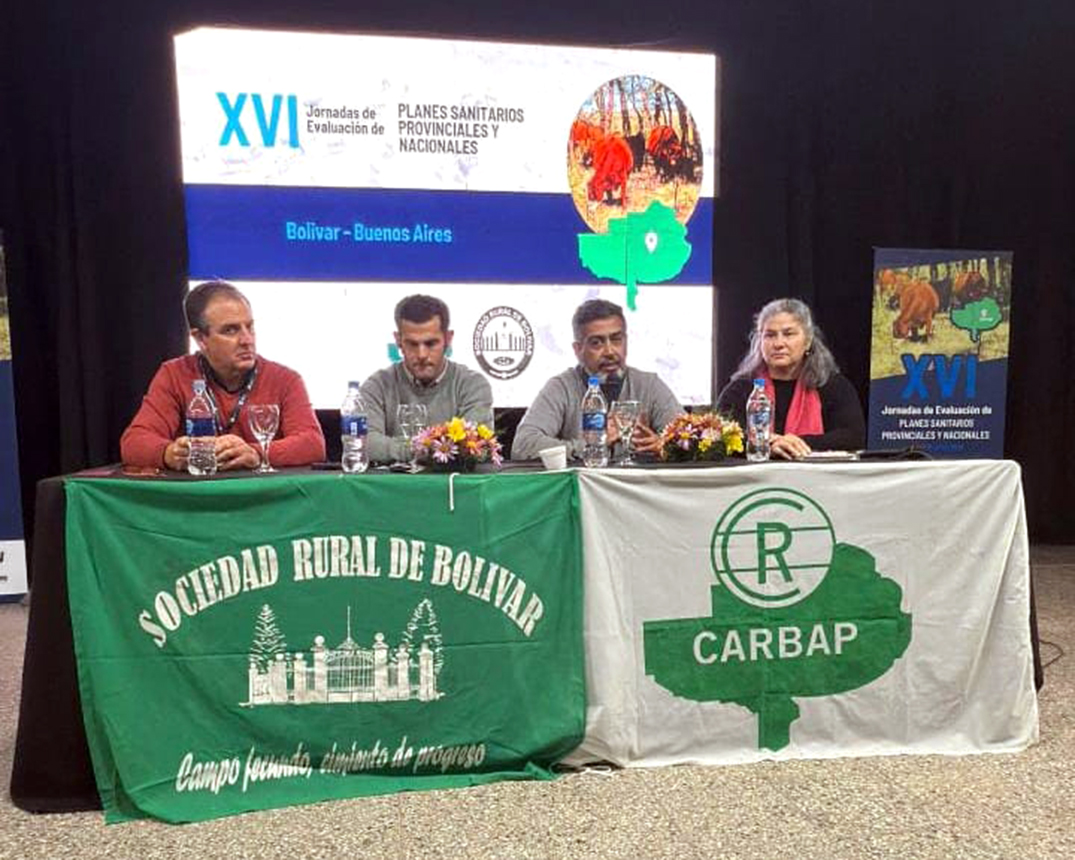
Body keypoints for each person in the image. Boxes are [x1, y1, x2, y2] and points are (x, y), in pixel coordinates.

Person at [121, 280, 325, 470]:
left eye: (250, 327)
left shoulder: (285, 380)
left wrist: (256, 452)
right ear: (200, 339)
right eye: (230, 330)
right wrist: (168, 453)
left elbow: (312, 444)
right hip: (198, 493)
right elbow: (134, 442)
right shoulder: (174, 375)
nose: (247, 340)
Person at [512, 298, 680, 461]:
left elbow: (690, 436)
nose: (609, 351)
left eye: (616, 340)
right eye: (596, 343)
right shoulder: (561, 388)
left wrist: (666, 446)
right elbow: (523, 445)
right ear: (578, 350)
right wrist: (592, 445)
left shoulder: (649, 385)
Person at [715, 297, 865, 458]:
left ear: (808, 341)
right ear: (759, 342)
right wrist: (767, 443)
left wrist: (794, 444)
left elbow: (853, 437)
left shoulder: (833, 385)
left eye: (788, 334)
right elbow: (719, 435)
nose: (778, 344)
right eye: (770, 335)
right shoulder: (741, 388)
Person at [362, 294, 493, 463]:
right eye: (412, 344)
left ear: (448, 339)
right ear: (398, 341)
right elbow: (364, 445)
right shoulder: (377, 386)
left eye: (431, 343)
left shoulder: (473, 385)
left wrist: (404, 449)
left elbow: (474, 448)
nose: (422, 354)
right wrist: (432, 449)